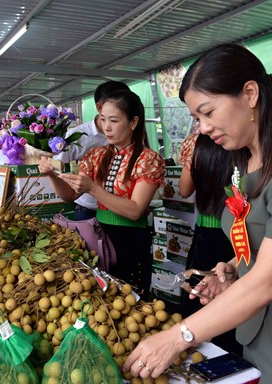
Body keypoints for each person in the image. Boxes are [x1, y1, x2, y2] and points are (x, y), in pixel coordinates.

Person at [123, 44, 272, 384]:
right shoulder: (244, 163)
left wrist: (178, 336)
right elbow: (266, 243)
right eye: (197, 118)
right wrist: (228, 270)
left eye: (208, 112)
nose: (202, 128)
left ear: (250, 94)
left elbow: (270, 281)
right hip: (257, 333)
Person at [39, 89, 164, 297]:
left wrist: (93, 189)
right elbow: (69, 196)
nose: (106, 127)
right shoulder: (96, 155)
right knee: (101, 301)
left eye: (114, 121)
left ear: (133, 123)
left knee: (130, 302)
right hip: (97, 238)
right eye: (103, 119)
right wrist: (52, 175)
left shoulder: (148, 159)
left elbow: (135, 211)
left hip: (130, 241)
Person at [177, 131, 241, 355]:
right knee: (233, 303)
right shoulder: (246, 143)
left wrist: (192, 157)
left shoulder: (200, 143)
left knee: (198, 299)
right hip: (238, 237)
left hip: (208, 236)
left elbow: (184, 190)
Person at [55, 80, 131, 220]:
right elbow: (59, 169)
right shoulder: (78, 137)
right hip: (89, 211)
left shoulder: (131, 136)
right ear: (100, 107)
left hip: (122, 210)